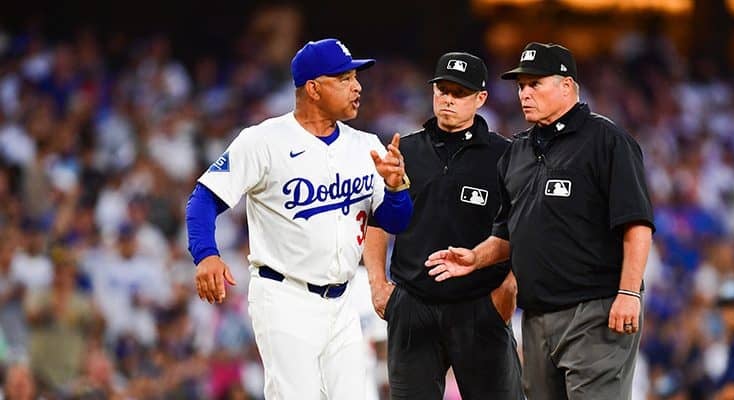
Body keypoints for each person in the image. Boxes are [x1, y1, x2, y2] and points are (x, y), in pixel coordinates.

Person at [185, 38, 413, 400]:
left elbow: (394, 222)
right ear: (313, 89)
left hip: (343, 301)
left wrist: (396, 188)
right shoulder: (264, 141)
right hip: (284, 297)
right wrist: (206, 254)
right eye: (344, 79)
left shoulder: (366, 144)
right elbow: (203, 199)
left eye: (356, 77)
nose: (357, 87)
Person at [425, 42, 655, 400]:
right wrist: (476, 258)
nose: (524, 94)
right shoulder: (517, 151)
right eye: (521, 86)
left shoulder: (606, 141)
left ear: (567, 86)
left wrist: (628, 293)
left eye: (535, 83)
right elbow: (507, 233)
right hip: (536, 317)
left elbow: (636, 224)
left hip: (595, 310)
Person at [363, 52, 522, 399]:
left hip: (479, 304)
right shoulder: (405, 151)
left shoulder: (506, 155)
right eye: (443, 90)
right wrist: (377, 284)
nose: (448, 99)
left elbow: (525, 229)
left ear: (481, 98)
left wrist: (509, 288)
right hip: (413, 304)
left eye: (460, 92)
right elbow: (376, 222)